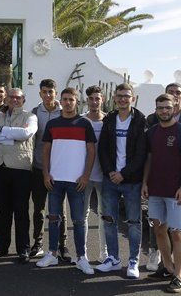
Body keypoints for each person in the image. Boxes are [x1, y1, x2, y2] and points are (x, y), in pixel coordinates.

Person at [35, 87, 95, 275]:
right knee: (53, 219)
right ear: (61, 101)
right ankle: (52, 253)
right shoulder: (53, 124)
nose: (68, 102)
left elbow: (91, 151)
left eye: (71, 99)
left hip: (77, 181)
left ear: (77, 101)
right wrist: (46, 174)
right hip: (55, 180)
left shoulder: (85, 124)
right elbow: (45, 150)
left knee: (78, 220)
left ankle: (81, 257)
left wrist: (86, 176)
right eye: (65, 99)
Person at [143, 94, 181, 293]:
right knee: (158, 230)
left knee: (176, 233)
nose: (163, 111)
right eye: (160, 108)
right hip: (155, 190)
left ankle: (178, 275)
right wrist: (144, 183)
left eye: (167, 107)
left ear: (174, 109)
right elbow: (149, 159)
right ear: (156, 110)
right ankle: (167, 267)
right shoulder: (152, 133)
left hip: (175, 193)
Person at [96, 83, 147, 279]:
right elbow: (103, 149)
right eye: (119, 96)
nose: (122, 99)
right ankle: (114, 259)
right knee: (109, 219)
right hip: (110, 179)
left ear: (132, 98)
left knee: (134, 221)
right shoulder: (109, 119)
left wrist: (124, 173)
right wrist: (111, 171)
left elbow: (142, 153)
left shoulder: (140, 120)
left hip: (131, 180)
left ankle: (133, 261)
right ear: (115, 98)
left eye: (126, 96)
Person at [0, 87, 37, 263]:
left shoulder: (30, 116)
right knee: (3, 210)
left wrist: (3, 132)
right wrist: (11, 134)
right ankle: (1, 246)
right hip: (0, 167)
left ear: (23, 100)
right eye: (12, 97)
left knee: (21, 211)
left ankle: (23, 249)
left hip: (21, 168)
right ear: (6, 99)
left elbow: (26, 133)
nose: (14, 100)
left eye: (18, 98)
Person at [30, 79, 67, 260]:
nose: (47, 95)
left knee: (60, 210)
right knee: (39, 209)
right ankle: (37, 243)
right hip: (38, 167)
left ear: (56, 92)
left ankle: (62, 245)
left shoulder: (65, 112)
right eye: (44, 92)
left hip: (60, 169)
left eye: (50, 92)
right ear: (40, 93)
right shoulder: (35, 113)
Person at [82, 85, 108, 261]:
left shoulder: (109, 121)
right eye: (91, 98)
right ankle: (82, 252)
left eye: (97, 98)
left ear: (102, 100)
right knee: (81, 215)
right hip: (84, 175)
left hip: (104, 176)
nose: (94, 102)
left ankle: (103, 252)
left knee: (104, 215)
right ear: (87, 100)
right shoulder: (81, 120)